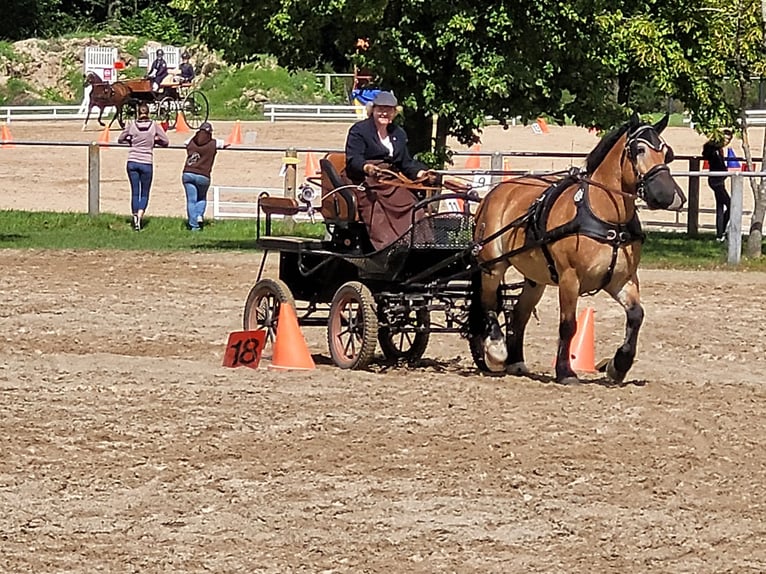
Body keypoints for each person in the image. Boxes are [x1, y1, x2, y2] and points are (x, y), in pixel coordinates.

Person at [344, 90, 437, 250]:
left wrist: (422, 173)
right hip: (363, 180)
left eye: (389, 110)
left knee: (413, 204)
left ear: (394, 112)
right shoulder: (359, 131)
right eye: (380, 109)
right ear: (372, 109)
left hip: (390, 180)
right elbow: (354, 159)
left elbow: (405, 163)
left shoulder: (398, 133)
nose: (384, 113)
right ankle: (387, 249)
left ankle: (420, 245)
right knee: (375, 207)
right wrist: (368, 168)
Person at [117, 103, 170, 231]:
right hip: (146, 161)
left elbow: (120, 139)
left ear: (137, 113)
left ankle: (134, 215)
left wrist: (131, 141)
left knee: (135, 191)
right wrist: (154, 140)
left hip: (132, 160)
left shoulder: (132, 125)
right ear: (148, 113)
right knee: (145, 192)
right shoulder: (154, 126)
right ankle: (140, 215)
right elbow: (166, 141)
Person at [181, 121, 229, 231]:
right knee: (201, 197)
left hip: (188, 172)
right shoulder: (214, 143)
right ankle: (199, 215)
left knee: (191, 200)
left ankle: (194, 225)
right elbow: (226, 143)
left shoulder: (191, 141)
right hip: (203, 175)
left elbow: (185, 142)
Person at [701, 128, 733, 241]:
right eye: (725, 139)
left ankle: (720, 233)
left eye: (729, 140)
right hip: (716, 181)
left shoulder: (719, 150)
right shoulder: (713, 149)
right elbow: (706, 154)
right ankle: (722, 231)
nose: (727, 141)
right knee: (730, 205)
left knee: (720, 207)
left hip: (719, 181)